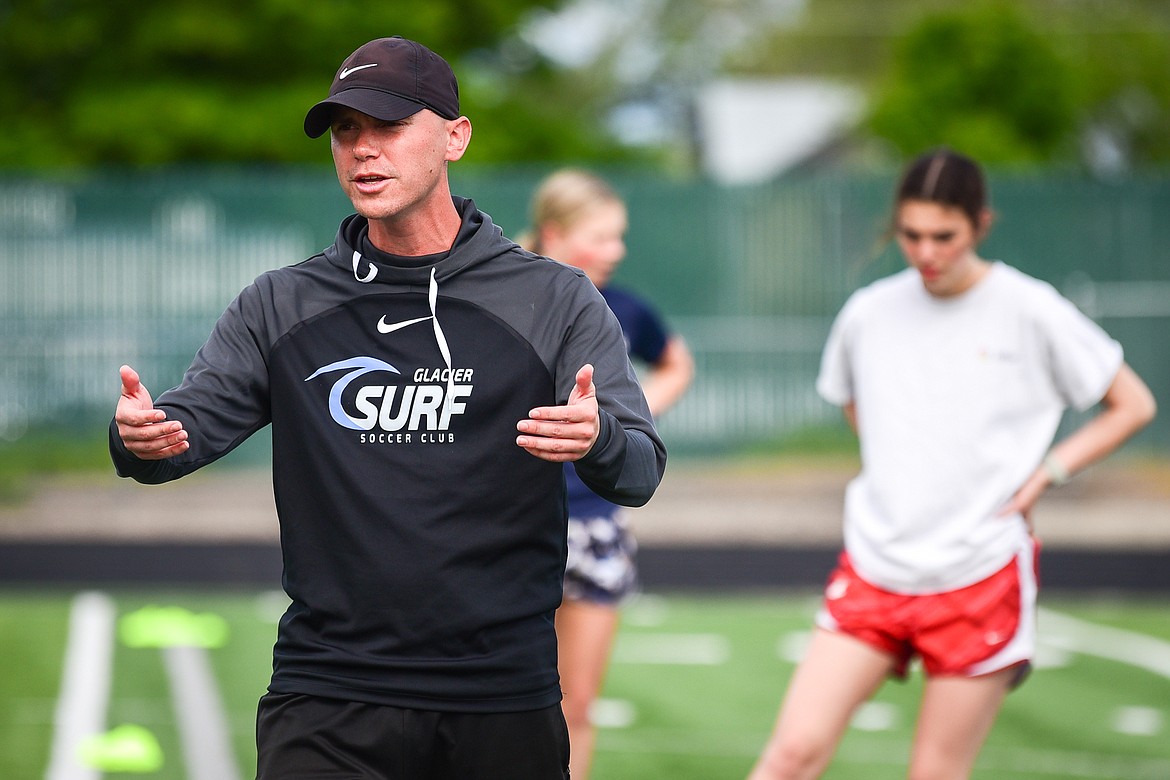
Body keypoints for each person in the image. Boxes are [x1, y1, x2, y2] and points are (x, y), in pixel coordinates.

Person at [110, 36, 667, 780]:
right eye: (346, 131)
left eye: (389, 126)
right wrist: (140, 437)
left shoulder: (555, 297)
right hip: (328, 692)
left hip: (500, 695)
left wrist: (597, 437)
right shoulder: (282, 303)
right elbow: (180, 434)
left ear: (455, 137)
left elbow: (639, 471)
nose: (363, 150)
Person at [748, 148, 1156, 780]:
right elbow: (857, 404)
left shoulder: (1031, 307)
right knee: (791, 755)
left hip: (980, 572)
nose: (926, 252)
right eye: (911, 235)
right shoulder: (868, 312)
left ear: (981, 226)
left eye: (945, 236)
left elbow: (1132, 403)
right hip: (876, 566)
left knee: (934, 773)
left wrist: (1049, 472)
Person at [520, 168, 694, 779]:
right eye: (602, 236)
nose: (616, 251)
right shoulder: (503, 294)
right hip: (510, 524)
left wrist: (627, 415)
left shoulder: (622, 308)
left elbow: (677, 363)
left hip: (593, 522)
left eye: (619, 237)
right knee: (490, 705)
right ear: (553, 232)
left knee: (577, 705)